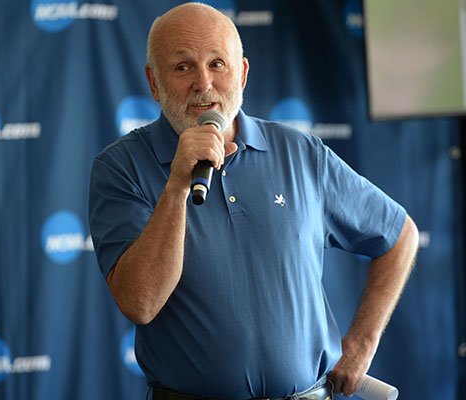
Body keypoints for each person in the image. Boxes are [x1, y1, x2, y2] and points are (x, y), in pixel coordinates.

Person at [88, 3, 419, 400]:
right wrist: (177, 184)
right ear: (154, 83)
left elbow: (399, 234)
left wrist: (363, 341)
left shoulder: (301, 153)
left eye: (217, 64)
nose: (203, 83)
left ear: (242, 74)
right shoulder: (120, 167)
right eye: (182, 68)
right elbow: (140, 303)